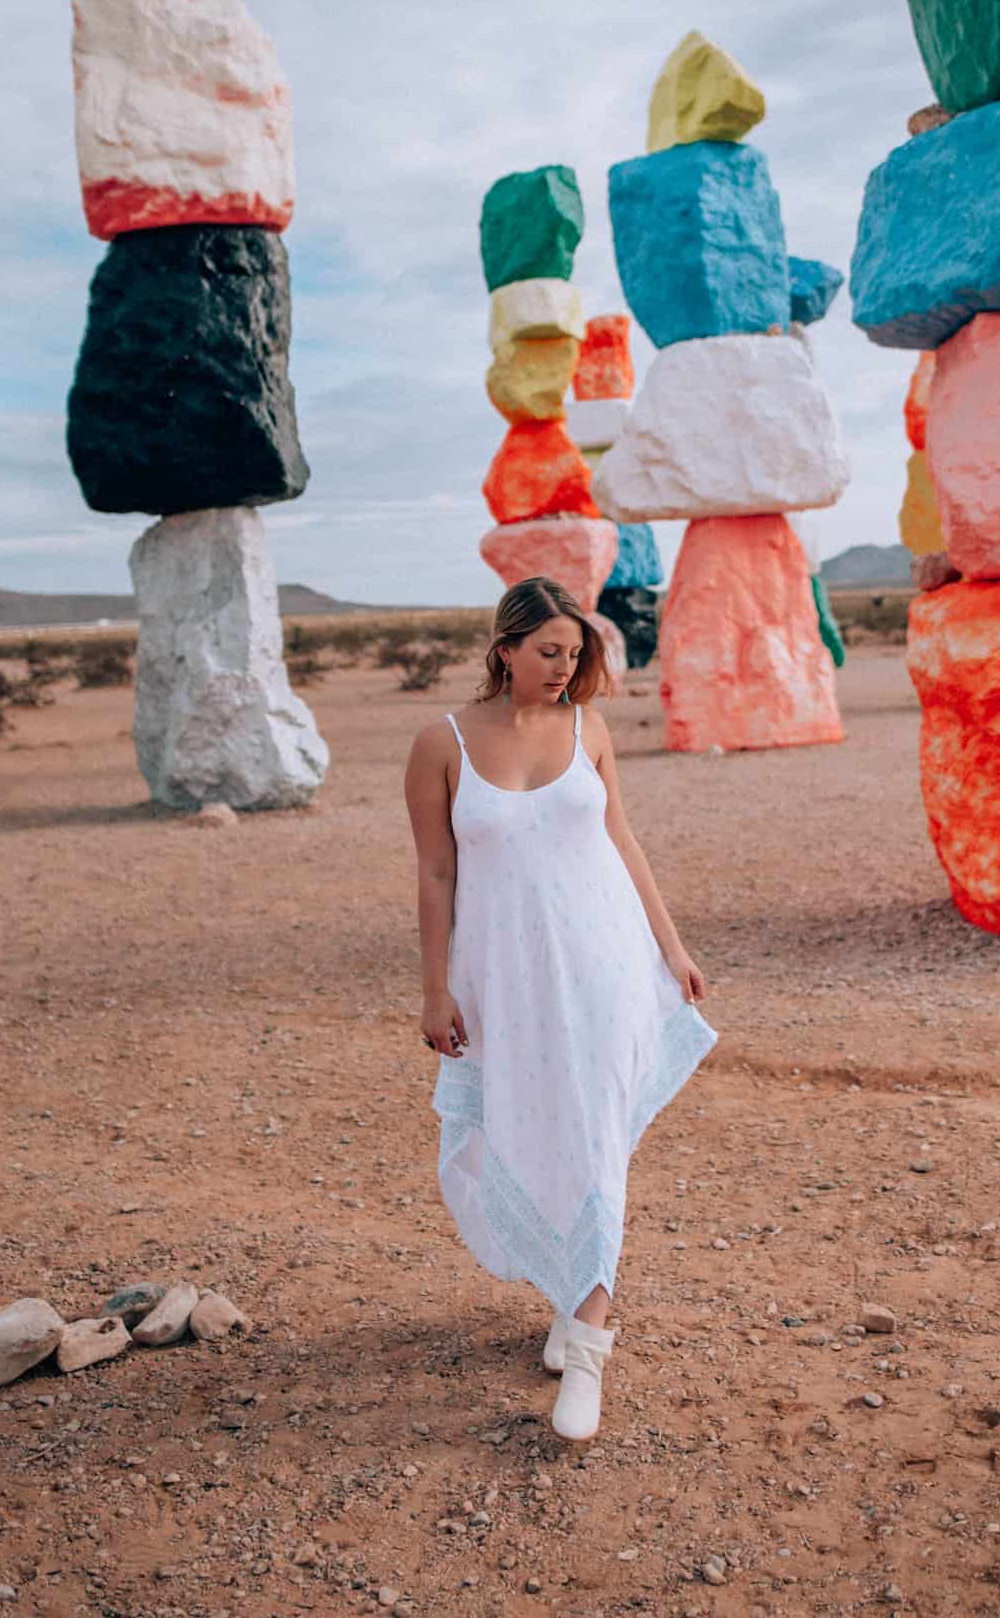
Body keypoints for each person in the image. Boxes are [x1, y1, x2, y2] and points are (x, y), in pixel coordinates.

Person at [403, 574, 716, 1441]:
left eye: (576, 654)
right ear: (503, 649)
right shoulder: (443, 745)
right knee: (535, 1132)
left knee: (593, 1141)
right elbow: (435, 875)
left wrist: (672, 948)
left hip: (605, 970)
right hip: (505, 985)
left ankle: (586, 1352)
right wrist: (435, 989)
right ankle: (568, 1293)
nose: (563, 668)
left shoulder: (591, 729)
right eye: (548, 652)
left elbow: (623, 840)